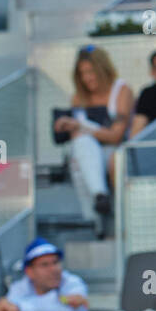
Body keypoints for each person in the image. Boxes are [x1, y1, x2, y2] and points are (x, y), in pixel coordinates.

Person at [54, 45, 133, 216]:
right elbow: (77, 136)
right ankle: (99, 197)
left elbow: (116, 137)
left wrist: (80, 126)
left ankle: (103, 210)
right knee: (80, 147)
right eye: (82, 74)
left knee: (96, 151)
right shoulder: (78, 97)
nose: (87, 78)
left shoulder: (121, 90)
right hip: (86, 155)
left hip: (114, 151)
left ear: (102, 69)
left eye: (90, 71)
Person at [0, 238, 89, 311]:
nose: (54, 269)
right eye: (45, 265)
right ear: (29, 272)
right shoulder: (19, 287)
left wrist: (19, 307)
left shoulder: (72, 282)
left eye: (55, 262)